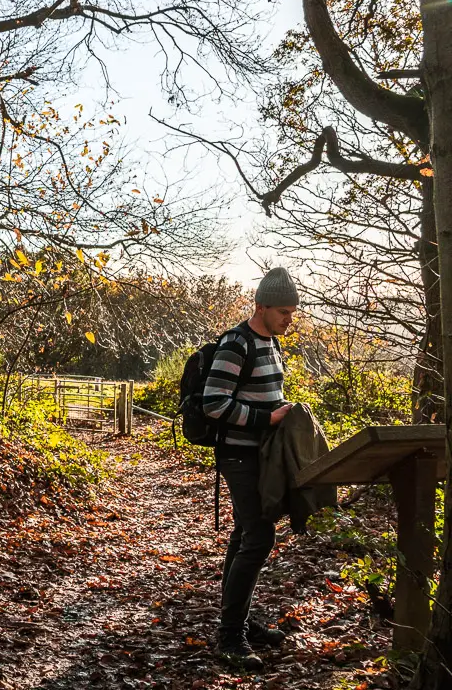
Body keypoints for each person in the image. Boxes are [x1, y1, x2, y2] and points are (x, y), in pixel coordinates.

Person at [202, 266, 298, 670]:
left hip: (259, 455)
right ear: (260, 306)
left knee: (245, 535)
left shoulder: (271, 343)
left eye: (293, 311)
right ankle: (230, 637)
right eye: (283, 312)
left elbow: (262, 393)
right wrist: (268, 420)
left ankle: (238, 620)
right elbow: (213, 403)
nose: (289, 319)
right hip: (237, 454)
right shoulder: (235, 344)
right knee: (259, 535)